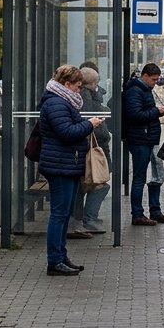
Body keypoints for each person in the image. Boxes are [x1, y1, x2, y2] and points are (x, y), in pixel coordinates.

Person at [38, 64, 105, 276]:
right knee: (59, 214)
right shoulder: (57, 103)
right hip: (59, 166)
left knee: (64, 213)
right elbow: (66, 132)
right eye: (77, 87)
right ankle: (54, 261)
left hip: (65, 163)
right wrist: (90, 125)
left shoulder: (61, 100)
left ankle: (61, 256)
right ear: (67, 84)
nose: (79, 90)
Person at [122, 62, 164, 225]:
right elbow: (135, 115)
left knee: (158, 174)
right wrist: (156, 112)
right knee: (139, 177)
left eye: (157, 80)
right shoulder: (135, 91)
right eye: (153, 79)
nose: (155, 83)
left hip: (149, 138)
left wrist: (155, 111)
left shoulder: (145, 89)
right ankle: (137, 214)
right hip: (139, 140)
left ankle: (155, 211)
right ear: (144, 76)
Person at [68, 64, 111, 237]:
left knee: (90, 185)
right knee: (97, 185)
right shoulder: (86, 97)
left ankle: (82, 220)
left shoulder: (85, 95)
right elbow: (94, 125)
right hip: (91, 150)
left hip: (89, 149)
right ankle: (85, 220)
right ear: (91, 83)